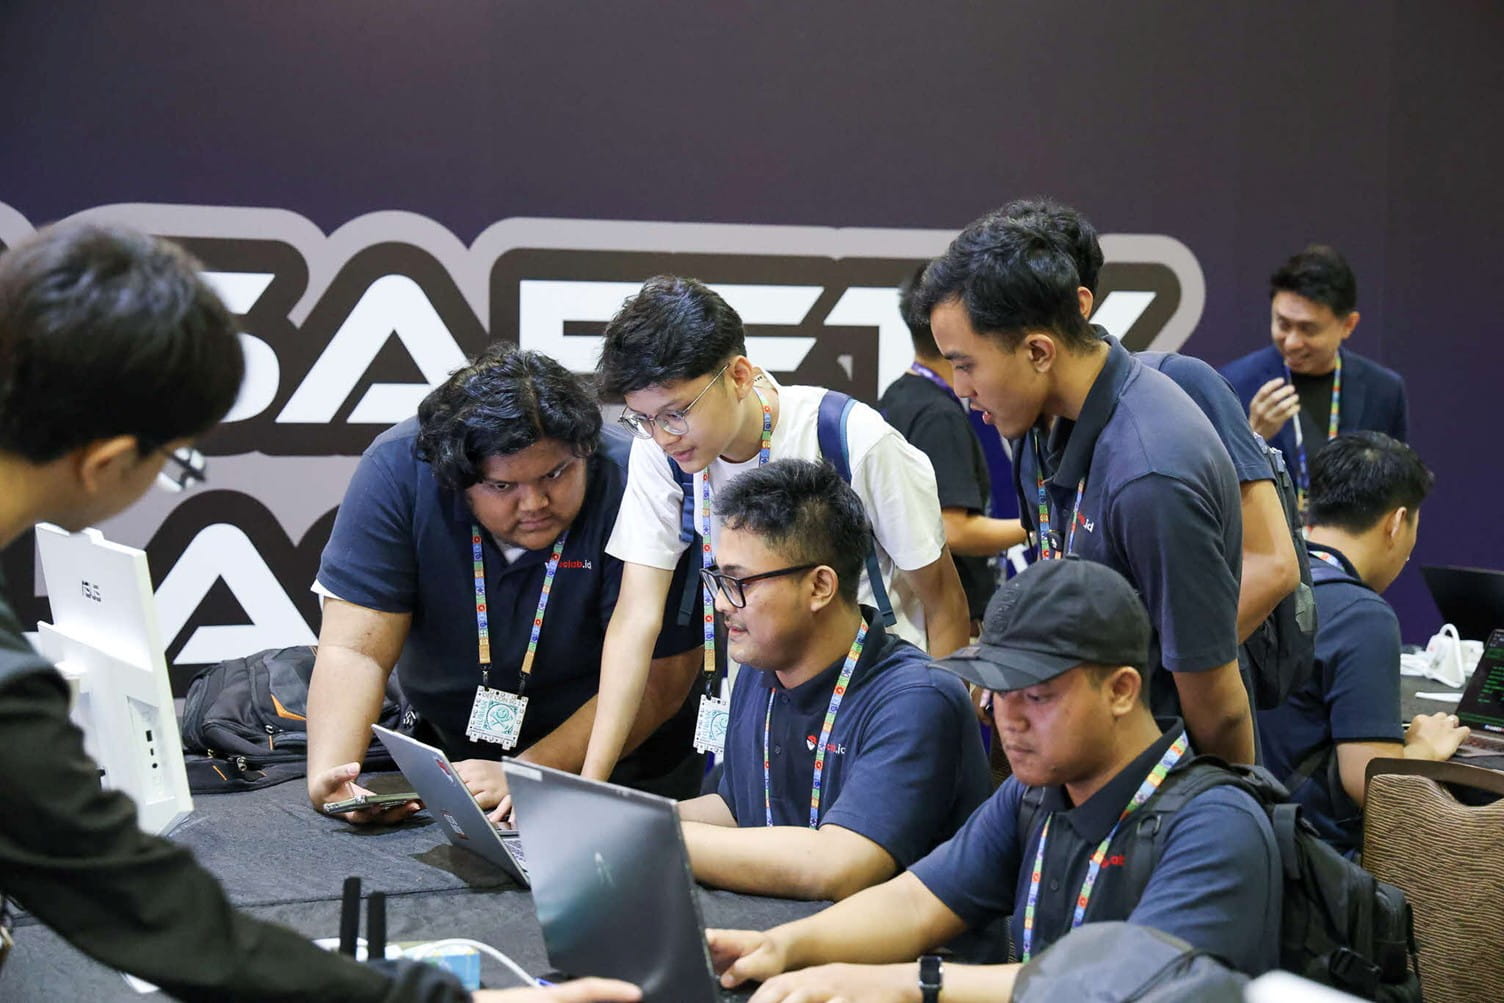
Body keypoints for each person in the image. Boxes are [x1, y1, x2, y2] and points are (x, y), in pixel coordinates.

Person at [0, 221, 638, 1001]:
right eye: (177, 460)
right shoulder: (10, 691)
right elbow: (143, 910)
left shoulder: (625, 480)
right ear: (105, 460)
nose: (530, 501)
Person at [707, 559, 1281, 1002]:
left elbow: (1125, 987)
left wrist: (915, 984)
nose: (1009, 721)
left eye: (1036, 695)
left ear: (1121, 691)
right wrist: (783, 946)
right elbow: (914, 904)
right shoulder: (1037, 793)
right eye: (997, 694)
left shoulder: (1215, 825)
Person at [580, 275, 969, 783]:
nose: (662, 435)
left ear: (739, 375)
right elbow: (635, 620)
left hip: (875, 701)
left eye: (677, 413)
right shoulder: (659, 455)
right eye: (643, 419)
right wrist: (588, 781)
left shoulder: (850, 439)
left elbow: (943, 604)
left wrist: (941, 750)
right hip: (758, 708)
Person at [913, 207, 1255, 764]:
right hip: (1070, 762)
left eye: (966, 365)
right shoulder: (1038, 421)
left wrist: (1232, 823)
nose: (960, 389)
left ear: (1039, 352)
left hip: (1154, 789)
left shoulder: (1152, 476)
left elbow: (1218, 707)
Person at [307, 345, 702, 825]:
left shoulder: (636, 479)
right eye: (502, 486)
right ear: (456, 478)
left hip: (624, 769)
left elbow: (661, 678)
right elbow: (356, 648)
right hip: (453, 766)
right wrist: (335, 779)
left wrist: (530, 771)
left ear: (586, 450)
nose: (535, 501)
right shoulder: (398, 470)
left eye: (556, 473)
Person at [677, 460, 990, 900]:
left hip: (900, 963)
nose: (724, 603)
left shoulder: (917, 697)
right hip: (780, 937)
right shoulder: (760, 666)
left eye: (739, 581)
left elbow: (837, 866)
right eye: (719, 579)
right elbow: (739, 808)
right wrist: (629, 822)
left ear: (820, 587)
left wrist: (652, 839)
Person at [1002, 196, 1301, 651]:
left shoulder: (1181, 387)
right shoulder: (1029, 426)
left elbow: (1272, 565)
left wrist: (1148, 682)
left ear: (1076, 303)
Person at [1259, 432, 1468, 856]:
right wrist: (1425, 747)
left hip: (1247, 830)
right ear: (1396, 523)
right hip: (1314, 861)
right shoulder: (1361, 615)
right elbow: (1370, 782)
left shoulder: (1264, 575)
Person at [878, 264, 1027, 625]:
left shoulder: (898, 396)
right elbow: (953, 529)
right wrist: (1037, 526)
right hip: (947, 622)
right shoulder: (937, 416)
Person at [1221, 245, 1408, 513]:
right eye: (1283, 324)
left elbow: (1397, 495)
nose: (1293, 342)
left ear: (1348, 325)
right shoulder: (1233, 384)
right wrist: (1254, 437)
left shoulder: (1384, 391)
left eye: (1308, 329)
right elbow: (1213, 492)